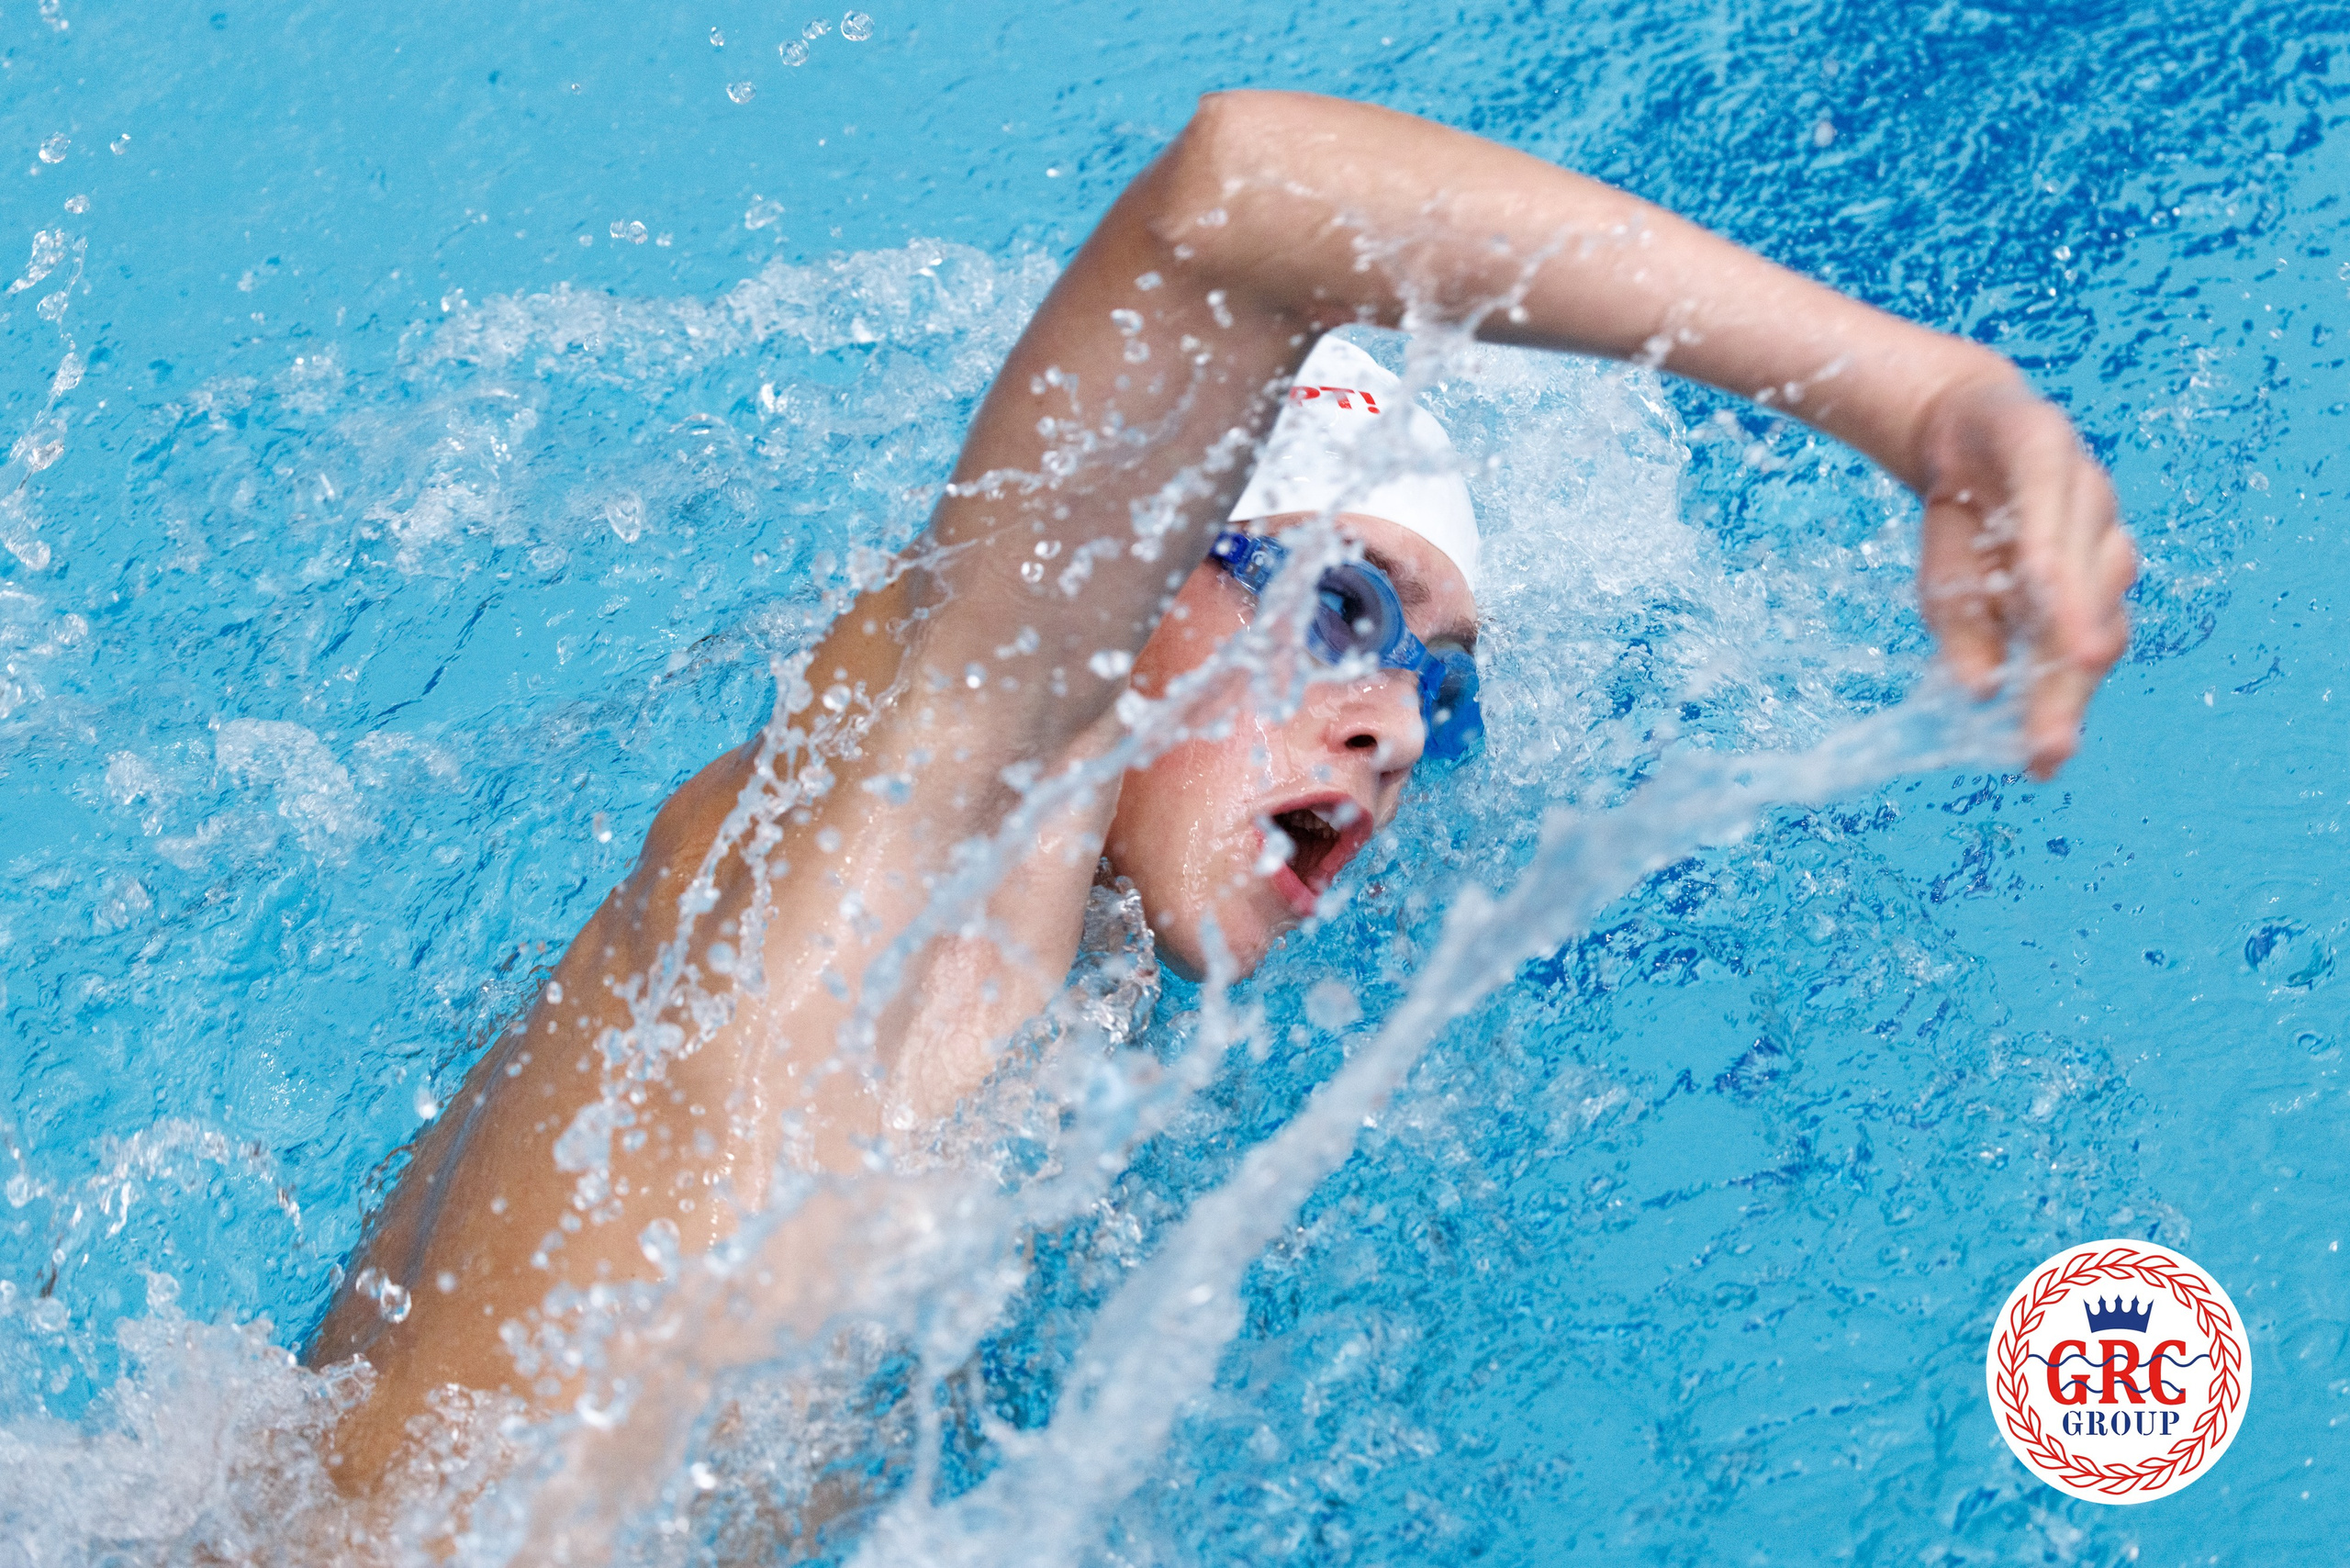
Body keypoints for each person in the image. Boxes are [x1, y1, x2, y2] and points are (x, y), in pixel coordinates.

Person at [307, 89, 2134, 1492]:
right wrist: (1921, 399)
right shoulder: (921, 832)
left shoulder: (1028, 1024)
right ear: (1141, 570)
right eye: (1341, 610)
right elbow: (1237, 191)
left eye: (1442, 690)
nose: (1393, 728)